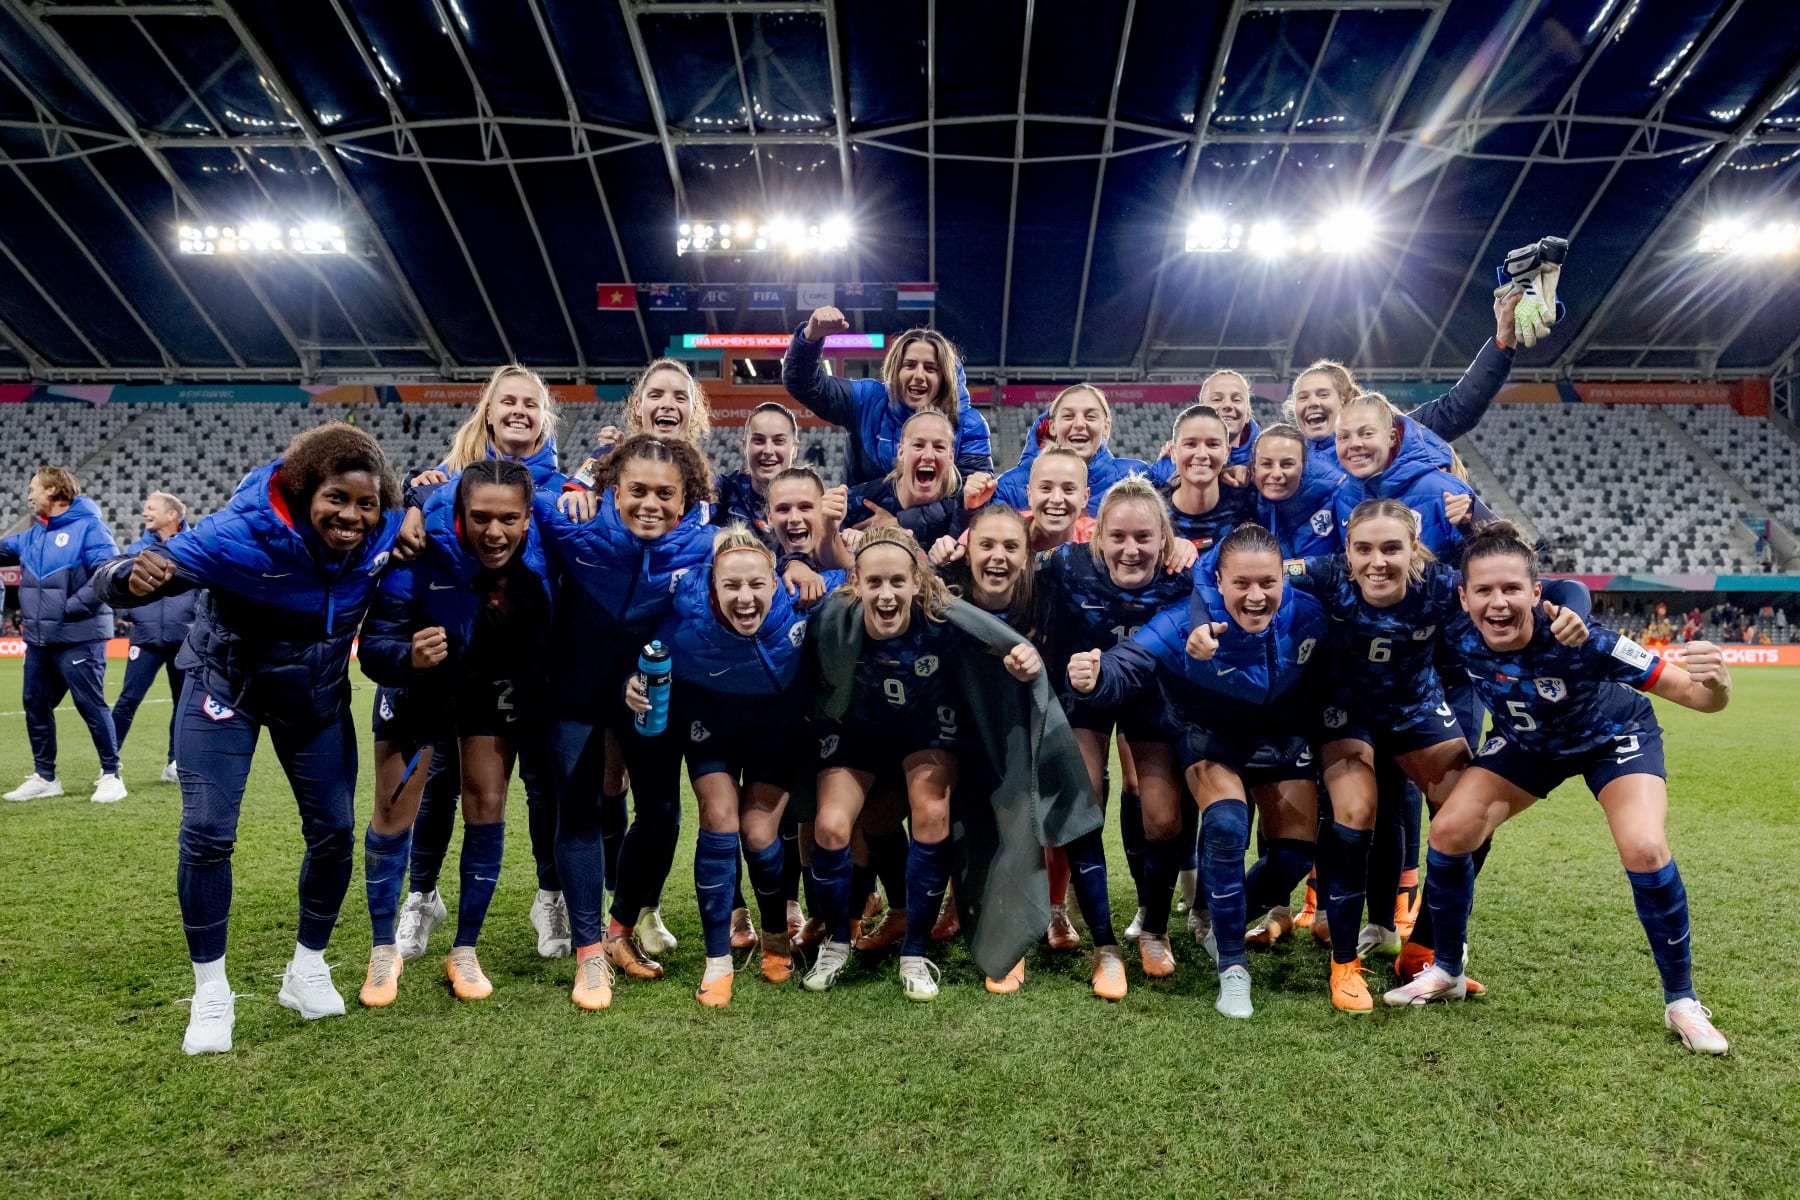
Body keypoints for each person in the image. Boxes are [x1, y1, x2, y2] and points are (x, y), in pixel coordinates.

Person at [92, 423, 407, 1054]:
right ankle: (211, 991)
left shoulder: (392, 527)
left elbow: (444, 497)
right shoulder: (240, 533)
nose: (351, 516)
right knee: (208, 833)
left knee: (334, 832)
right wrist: (130, 577)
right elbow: (108, 578)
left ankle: (307, 966)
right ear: (303, 491)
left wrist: (420, 498)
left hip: (315, 699)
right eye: (336, 500)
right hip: (223, 692)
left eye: (365, 504)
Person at [1383, 521, 1733, 1056]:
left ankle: (1682, 1002)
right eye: (1483, 591)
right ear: (1463, 595)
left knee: (1643, 846)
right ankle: (1448, 969)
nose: (1497, 603)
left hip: (1612, 739)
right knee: (1452, 829)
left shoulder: (1582, 637)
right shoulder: (1455, 628)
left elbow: (1697, 698)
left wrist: (1719, 685)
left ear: (1536, 593)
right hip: (1529, 744)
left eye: (1511, 589)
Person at [1285, 500, 1590, 1010]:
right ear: (1347, 549)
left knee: (1472, 820)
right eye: (1363, 549)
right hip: (1345, 712)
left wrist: (1575, 613)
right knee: (1356, 811)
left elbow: (1562, 589)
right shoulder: (1324, 573)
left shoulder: (1442, 584)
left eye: (1390, 548)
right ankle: (1344, 966)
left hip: (1415, 708)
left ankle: (1424, 951)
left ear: (1413, 548)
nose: (1376, 561)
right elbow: (1247, 571)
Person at [1068, 523, 1326, 1019]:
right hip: (1211, 738)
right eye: (1242, 585)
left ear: (1284, 580)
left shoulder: (1312, 614)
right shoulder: (1187, 619)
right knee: (1226, 826)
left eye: (1267, 584)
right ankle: (1233, 969)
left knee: (1294, 857)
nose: (1255, 596)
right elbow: (1128, 662)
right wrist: (1094, 677)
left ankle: (1214, 913)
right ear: (1220, 582)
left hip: (1281, 737)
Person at [799, 528, 1055, 999]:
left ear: (917, 582)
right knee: (832, 827)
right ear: (856, 583)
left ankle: (915, 952)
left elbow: (994, 646)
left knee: (932, 812)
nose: (887, 593)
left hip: (929, 733)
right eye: (874, 583)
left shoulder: (943, 619)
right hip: (859, 734)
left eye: (898, 581)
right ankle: (836, 941)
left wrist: (1019, 657)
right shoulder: (834, 617)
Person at [393, 364, 570, 965]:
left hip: (538, 671)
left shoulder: (571, 491)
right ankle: (420, 895)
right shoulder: (443, 487)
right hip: (457, 671)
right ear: (488, 412)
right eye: (508, 401)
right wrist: (411, 503)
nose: (520, 411)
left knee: (542, 789)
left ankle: (551, 897)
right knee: (442, 784)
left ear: (546, 416)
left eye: (531, 402)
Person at [357, 460, 551, 1004]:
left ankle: (464, 950)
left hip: (491, 692)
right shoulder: (419, 552)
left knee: (486, 803)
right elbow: (375, 642)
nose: (495, 532)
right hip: (418, 688)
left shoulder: (540, 558)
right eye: (481, 517)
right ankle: (382, 953)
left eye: (508, 518)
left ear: (527, 517)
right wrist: (407, 656)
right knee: (393, 810)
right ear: (460, 515)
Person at [535, 434, 717, 1010]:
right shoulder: (573, 524)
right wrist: (419, 492)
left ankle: (617, 934)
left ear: (686, 500)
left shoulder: (702, 547)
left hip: (647, 687)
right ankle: (588, 955)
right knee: (580, 808)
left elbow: (702, 606)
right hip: (574, 689)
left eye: (666, 494)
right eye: (637, 490)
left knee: (662, 813)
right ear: (613, 490)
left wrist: (650, 660)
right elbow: (506, 492)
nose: (650, 504)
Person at [1037, 476, 1203, 995]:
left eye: (1144, 538)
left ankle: (1153, 930)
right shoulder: (1067, 565)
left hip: (1151, 700)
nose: (1131, 550)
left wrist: (1194, 551)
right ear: (1098, 538)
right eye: (1118, 538)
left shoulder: (1182, 577)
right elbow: (1009, 559)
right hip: (1082, 696)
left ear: (1164, 539)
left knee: (1164, 816)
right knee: (1085, 800)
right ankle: (1105, 946)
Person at [639, 526, 811, 1006]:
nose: (745, 597)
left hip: (775, 725)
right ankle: (717, 961)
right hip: (710, 719)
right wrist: (631, 683)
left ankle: (775, 936)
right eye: (731, 586)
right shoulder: (684, 618)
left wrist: (814, 563)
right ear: (711, 586)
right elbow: (641, 655)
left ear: (775, 583)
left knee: (758, 834)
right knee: (718, 818)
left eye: (756, 584)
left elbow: (855, 578)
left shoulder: (799, 600)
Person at [1, 466, 123, 804]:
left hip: (79, 635)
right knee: (35, 704)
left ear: (53, 491)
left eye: (33, 488)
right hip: (41, 640)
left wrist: (68, 607)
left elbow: (106, 575)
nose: (28, 494)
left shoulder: (90, 528)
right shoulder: (32, 535)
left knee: (89, 704)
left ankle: (112, 774)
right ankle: (45, 777)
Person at [782, 307, 992, 485]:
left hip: (938, 535)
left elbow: (970, 499)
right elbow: (806, 386)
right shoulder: (868, 401)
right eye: (909, 365)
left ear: (944, 377)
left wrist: (899, 522)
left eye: (930, 368)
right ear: (895, 370)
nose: (918, 376)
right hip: (860, 531)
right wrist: (810, 337)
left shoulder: (969, 424)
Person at [109, 492, 196, 784]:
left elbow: (207, 589)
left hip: (184, 640)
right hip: (145, 639)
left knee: (182, 705)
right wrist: (134, 615)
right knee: (127, 701)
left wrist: (194, 621)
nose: (144, 512)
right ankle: (108, 763)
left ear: (172, 514)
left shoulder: (194, 547)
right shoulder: (136, 548)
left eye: (150, 508)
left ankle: (174, 763)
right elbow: (117, 586)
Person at [979, 385, 1150, 516]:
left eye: (1090, 416)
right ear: (1052, 426)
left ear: (1106, 426)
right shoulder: (1010, 487)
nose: (1079, 424)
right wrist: (971, 507)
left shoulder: (1135, 477)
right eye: (1068, 416)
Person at [842, 410, 963, 546]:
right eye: (918, 445)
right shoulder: (861, 500)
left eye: (939, 447)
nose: (929, 455)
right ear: (901, 452)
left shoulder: (961, 508)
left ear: (951, 457)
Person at [1163, 404, 1258, 552]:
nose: (1201, 454)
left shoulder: (1249, 502)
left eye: (1212, 444)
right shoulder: (1153, 511)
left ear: (1226, 453)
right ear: (1173, 453)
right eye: (1190, 444)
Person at [713, 402, 801, 549]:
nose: (768, 450)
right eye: (758, 440)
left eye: (779, 441)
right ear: (744, 446)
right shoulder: (723, 492)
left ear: (794, 449)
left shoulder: (811, 501)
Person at [1150, 370, 1260, 482]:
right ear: (1200, 411)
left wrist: (1253, 478)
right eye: (1217, 399)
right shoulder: (1171, 465)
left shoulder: (1269, 461)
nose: (1227, 405)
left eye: (1236, 399)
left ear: (1248, 413)